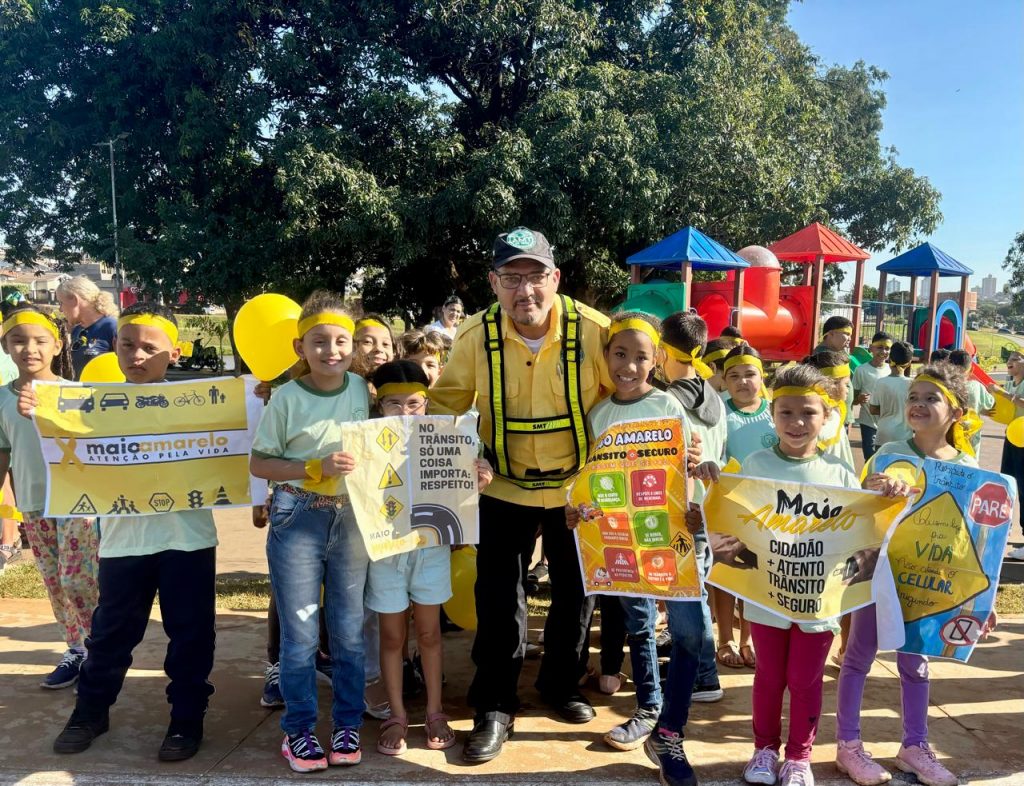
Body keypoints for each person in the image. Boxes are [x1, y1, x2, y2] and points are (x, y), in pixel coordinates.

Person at [428, 226, 613, 764]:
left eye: (536, 277)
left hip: (575, 491)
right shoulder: (473, 335)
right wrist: (464, 454)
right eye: (511, 278)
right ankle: (494, 703)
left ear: (556, 278)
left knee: (577, 592)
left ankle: (559, 684)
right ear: (493, 282)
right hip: (502, 486)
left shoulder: (595, 331)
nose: (524, 291)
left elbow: (631, 391)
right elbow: (441, 407)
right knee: (498, 596)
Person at [44, 304, 216, 761]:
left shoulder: (202, 403)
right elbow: (60, 443)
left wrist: (257, 401)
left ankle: (186, 718)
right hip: (123, 541)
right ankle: (90, 712)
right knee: (112, 632)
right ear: (115, 346)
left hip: (189, 538)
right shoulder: (94, 405)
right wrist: (34, 411)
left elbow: (237, 445)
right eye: (127, 344)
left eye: (149, 347)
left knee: (192, 633)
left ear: (174, 353)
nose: (136, 355)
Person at [695, 364, 862, 786]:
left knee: (805, 680)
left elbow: (863, 531)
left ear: (827, 419)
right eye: (786, 412)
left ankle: (799, 757)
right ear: (773, 415)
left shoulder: (841, 475)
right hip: (766, 596)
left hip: (817, 600)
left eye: (808, 413)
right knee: (769, 677)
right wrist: (713, 478)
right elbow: (730, 514)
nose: (797, 422)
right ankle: (764, 749)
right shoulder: (754, 463)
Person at [563, 311, 704, 786]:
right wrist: (576, 510)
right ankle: (649, 710)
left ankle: (669, 728)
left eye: (640, 357)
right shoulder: (597, 414)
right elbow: (589, 481)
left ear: (657, 359)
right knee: (638, 625)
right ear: (605, 357)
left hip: (673, 535)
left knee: (690, 634)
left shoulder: (669, 407)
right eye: (619, 354)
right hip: (623, 540)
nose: (628, 365)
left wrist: (698, 479)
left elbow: (689, 468)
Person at [838, 362, 984, 786]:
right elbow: (860, 509)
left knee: (916, 662)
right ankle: (848, 745)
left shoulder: (968, 465)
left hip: (929, 580)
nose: (918, 404)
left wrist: (978, 599)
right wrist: (877, 488)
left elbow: (971, 537)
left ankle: (914, 746)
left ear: (956, 411)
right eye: (914, 397)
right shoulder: (889, 452)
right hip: (880, 573)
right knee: (858, 656)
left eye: (930, 398)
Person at [249, 291, 372, 772]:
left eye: (342, 340)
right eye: (319, 341)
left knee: (348, 630)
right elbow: (260, 462)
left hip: (353, 519)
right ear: (300, 347)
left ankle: (346, 725)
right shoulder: (286, 397)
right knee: (300, 633)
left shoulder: (365, 390)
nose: (331, 350)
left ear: (354, 346)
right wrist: (312, 467)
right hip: (297, 514)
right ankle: (298, 730)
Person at [367, 360, 493, 756]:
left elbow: (460, 488)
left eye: (414, 403)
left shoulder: (448, 437)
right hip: (386, 553)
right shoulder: (365, 441)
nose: (405, 412)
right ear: (378, 404)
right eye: (394, 404)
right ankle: (398, 714)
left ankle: (436, 711)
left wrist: (479, 478)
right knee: (391, 636)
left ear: (427, 402)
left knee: (430, 634)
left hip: (431, 549)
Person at [0, 305, 99, 686]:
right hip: (32, 502)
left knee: (77, 579)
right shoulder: (2, 400)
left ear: (58, 345)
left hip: (78, 501)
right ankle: (74, 648)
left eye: (41, 340)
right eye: (18, 340)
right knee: (54, 582)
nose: (30, 349)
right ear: (6, 347)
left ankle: (96, 648)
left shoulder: (79, 393)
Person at [658, 311, 725, 702]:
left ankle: (704, 674)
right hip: (709, 508)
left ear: (664, 352)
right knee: (696, 591)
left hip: (683, 510)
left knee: (689, 596)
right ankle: (699, 665)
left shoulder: (667, 402)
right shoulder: (715, 396)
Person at [715, 344, 775, 671]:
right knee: (726, 575)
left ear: (761, 377)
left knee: (755, 574)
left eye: (750, 374)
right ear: (724, 380)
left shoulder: (775, 412)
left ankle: (747, 637)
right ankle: (724, 638)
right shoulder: (717, 411)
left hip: (765, 510)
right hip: (726, 506)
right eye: (734, 376)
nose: (742, 382)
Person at [55, 276, 119, 379]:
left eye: (61, 303)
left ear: (75, 300)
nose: (60, 309)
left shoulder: (112, 327)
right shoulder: (77, 330)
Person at [805, 351, 856, 471]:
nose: (848, 390)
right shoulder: (829, 417)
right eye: (846, 384)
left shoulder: (834, 410)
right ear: (830, 385)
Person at [999, 350, 1024, 559]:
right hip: (1011, 437)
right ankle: (1003, 529)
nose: (1010, 362)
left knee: (1023, 489)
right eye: (1009, 359)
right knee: (1007, 483)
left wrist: (1007, 396)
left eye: (1016, 359)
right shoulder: (1010, 384)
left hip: (1023, 440)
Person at [851, 333, 892, 460]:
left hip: (887, 423)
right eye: (879, 347)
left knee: (885, 460)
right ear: (871, 348)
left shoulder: (892, 370)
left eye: (887, 348)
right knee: (870, 459)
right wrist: (859, 399)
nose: (883, 351)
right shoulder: (861, 370)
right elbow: (853, 399)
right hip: (868, 422)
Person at [949, 349, 993, 460]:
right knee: (971, 467)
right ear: (971, 369)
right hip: (971, 437)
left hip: (948, 437)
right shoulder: (977, 387)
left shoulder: (944, 387)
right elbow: (990, 404)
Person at [869, 341, 915, 447]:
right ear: (909, 363)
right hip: (904, 438)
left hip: (883, 436)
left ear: (889, 360)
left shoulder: (880, 382)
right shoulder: (913, 384)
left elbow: (873, 409)